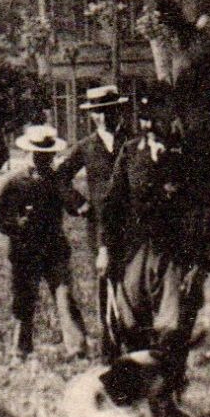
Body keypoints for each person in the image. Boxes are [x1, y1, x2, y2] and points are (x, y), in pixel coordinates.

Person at [97, 83, 207, 417]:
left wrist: (199, 262)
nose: (147, 123)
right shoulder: (131, 153)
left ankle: (168, 406)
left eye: (154, 115)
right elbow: (111, 207)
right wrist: (105, 250)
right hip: (134, 253)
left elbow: (202, 210)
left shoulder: (187, 155)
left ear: (169, 114)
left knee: (171, 331)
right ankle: (142, 411)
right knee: (129, 327)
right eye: (142, 116)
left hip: (174, 255)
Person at [0, 124, 89, 358]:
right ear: (28, 153)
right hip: (25, 250)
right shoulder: (15, 181)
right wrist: (13, 227)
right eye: (38, 154)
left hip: (55, 248)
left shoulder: (56, 180)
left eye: (47, 155)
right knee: (24, 300)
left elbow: (75, 206)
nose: (43, 159)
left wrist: (83, 206)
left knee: (65, 297)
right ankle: (20, 350)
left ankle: (77, 349)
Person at [56, 84, 128, 336]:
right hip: (99, 225)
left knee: (134, 279)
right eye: (97, 112)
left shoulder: (131, 142)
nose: (102, 117)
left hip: (132, 222)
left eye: (107, 110)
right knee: (105, 277)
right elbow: (59, 178)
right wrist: (79, 203)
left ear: (118, 112)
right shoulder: (86, 147)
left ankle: (136, 334)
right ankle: (109, 338)